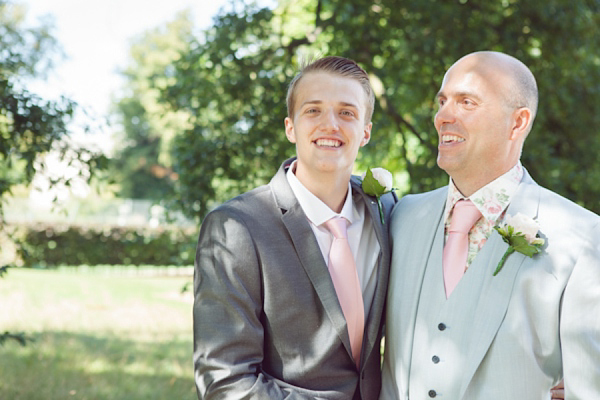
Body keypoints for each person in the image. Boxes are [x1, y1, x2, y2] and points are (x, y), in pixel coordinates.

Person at [380, 51, 600, 399]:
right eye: (442, 101)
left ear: (518, 123)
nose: (442, 116)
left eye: (466, 102)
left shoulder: (583, 236)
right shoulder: (403, 216)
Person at [193, 56, 397, 399]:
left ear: (366, 132)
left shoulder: (387, 211)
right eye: (313, 110)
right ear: (291, 127)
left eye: (346, 112)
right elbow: (225, 381)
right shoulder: (236, 227)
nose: (330, 124)